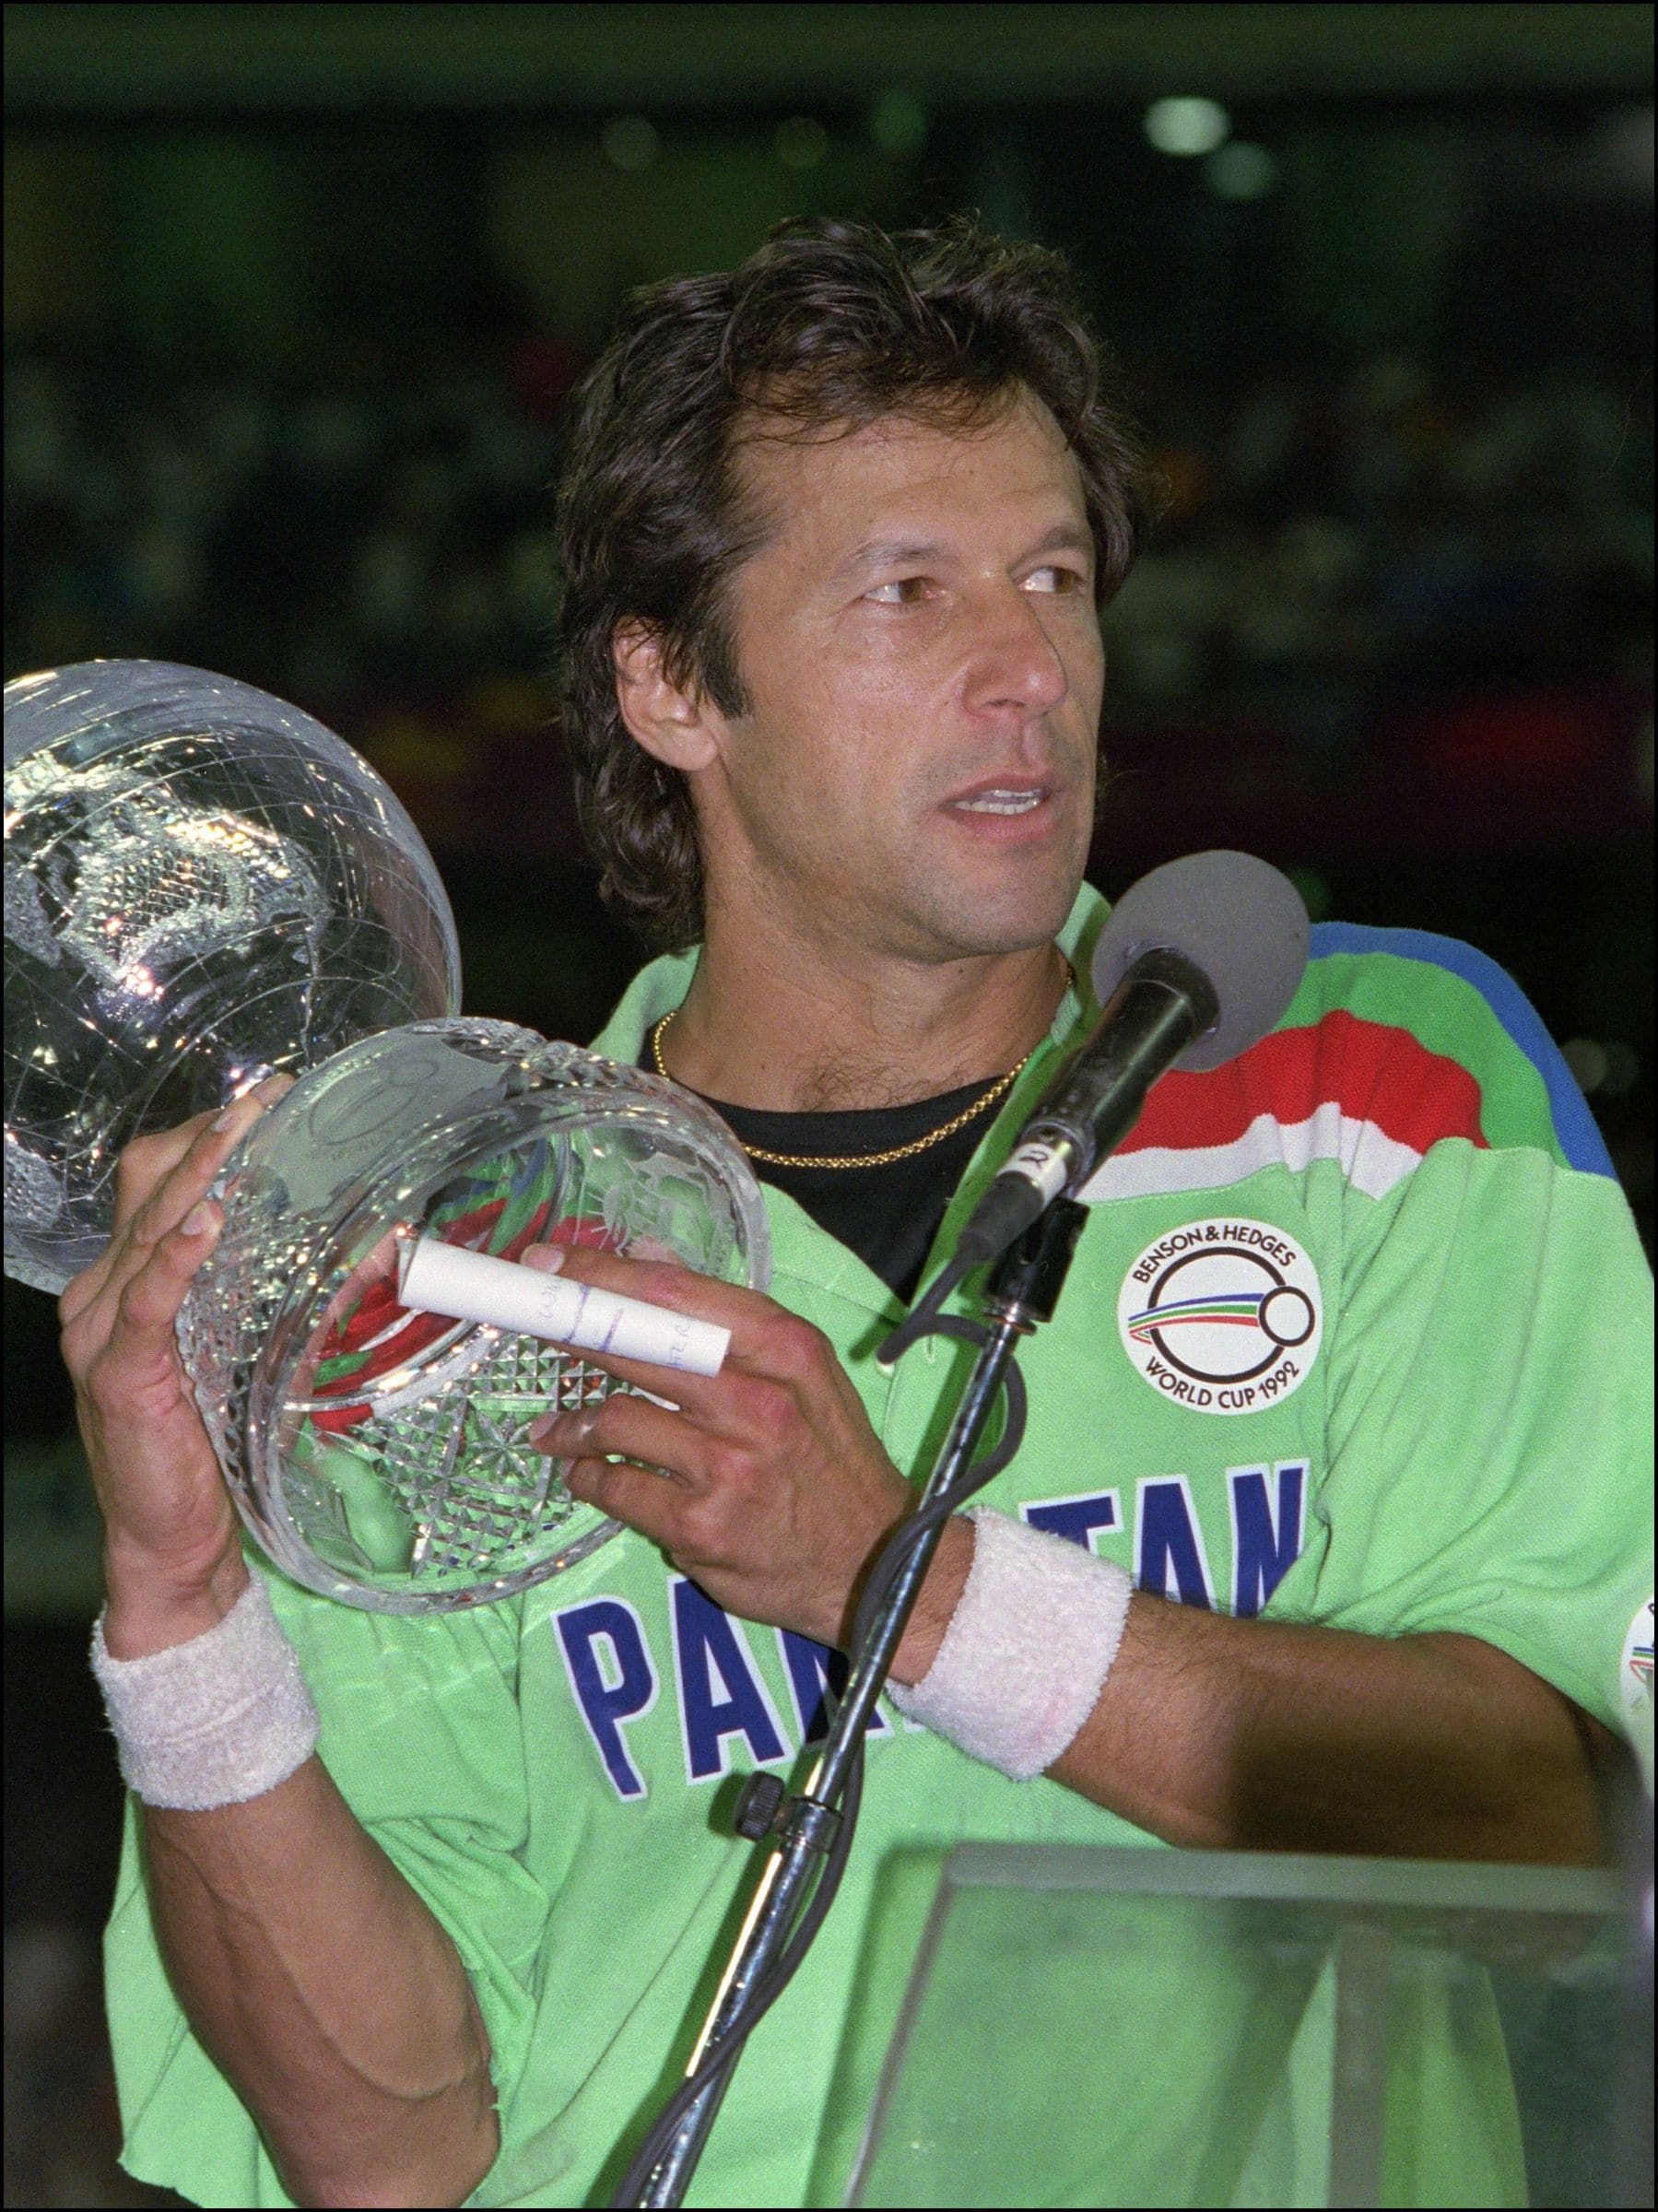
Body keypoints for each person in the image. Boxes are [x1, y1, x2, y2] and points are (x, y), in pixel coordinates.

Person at [74, 217, 1651, 2208]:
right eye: (908, 592)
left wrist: (902, 1587)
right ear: (671, 683)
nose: (1028, 670)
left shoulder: (1376, 1084)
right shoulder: (444, 1270)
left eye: (1055, 578)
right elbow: (383, 2148)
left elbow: (1561, 1816)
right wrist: (179, 1606)